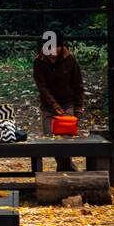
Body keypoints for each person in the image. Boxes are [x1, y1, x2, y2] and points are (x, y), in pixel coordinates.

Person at [33, 33, 85, 171]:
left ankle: (65, 173)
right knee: (53, 143)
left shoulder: (70, 59)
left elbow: (78, 84)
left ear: (61, 47)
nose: (52, 54)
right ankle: (69, 171)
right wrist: (54, 105)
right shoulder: (38, 62)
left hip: (68, 104)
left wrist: (78, 107)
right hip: (48, 107)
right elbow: (42, 87)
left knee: (65, 143)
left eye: (55, 48)